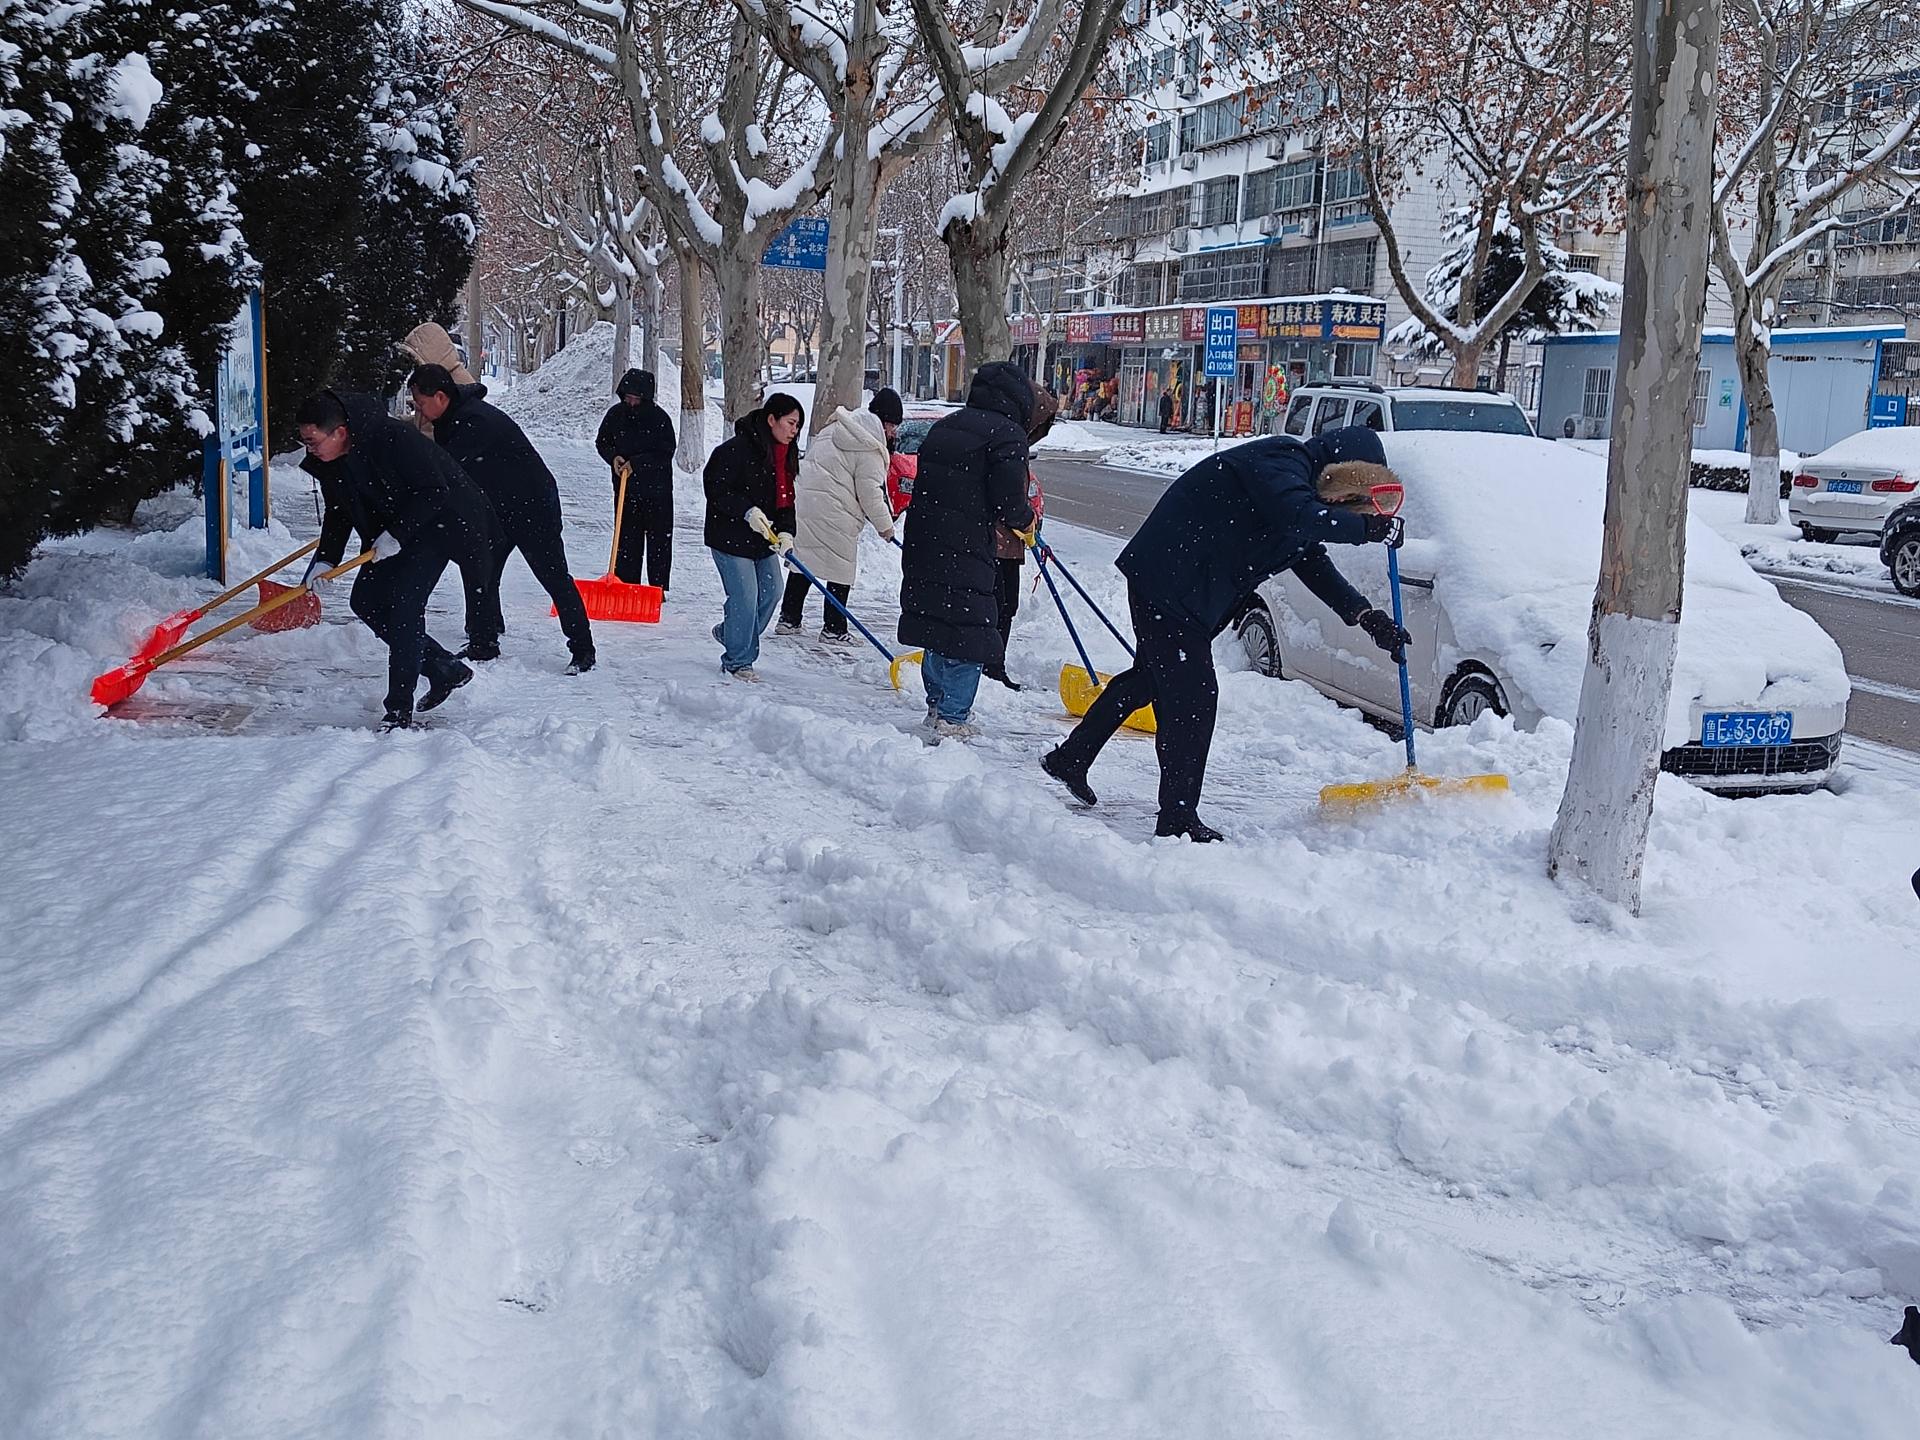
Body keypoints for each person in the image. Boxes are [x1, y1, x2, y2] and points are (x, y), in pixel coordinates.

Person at [1040, 426, 1412, 842]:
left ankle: (1071, 759)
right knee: (1193, 697)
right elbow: (1297, 515)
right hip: (1168, 583)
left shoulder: (1303, 499)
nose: (1344, 508)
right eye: (1348, 499)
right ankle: (1178, 818)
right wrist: (1366, 531)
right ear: (1337, 475)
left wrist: (1367, 617)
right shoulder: (1282, 462)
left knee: (1150, 680)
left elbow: (1312, 563)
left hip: (1188, 593)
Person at [295, 390, 478, 729]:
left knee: (405, 608)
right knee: (365, 601)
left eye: (313, 441)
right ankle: (443, 668)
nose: (310, 450)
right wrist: (326, 560)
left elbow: (435, 490)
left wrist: (397, 533)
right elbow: (338, 511)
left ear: (340, 432)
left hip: (434, 526)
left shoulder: (390, 438)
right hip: (389, 531)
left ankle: (398, 712)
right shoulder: (331, 461)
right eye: (305, 442)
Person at [408, 364, 596, 674]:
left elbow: (445, 473)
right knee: (478, 569)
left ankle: (583, 649)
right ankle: (484, 641)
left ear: (440, 397)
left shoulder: (473, 421)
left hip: (533, 506)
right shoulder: (451, 417)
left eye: (420, 402)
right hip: (498, 508)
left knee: (552, 576)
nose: (418, 410)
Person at [897, 362, 1038, 738]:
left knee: (936, 624)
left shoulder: (946, 426)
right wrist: (1026, 522)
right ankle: (953, 717)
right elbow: (1009, 501)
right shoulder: (1007, 434)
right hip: (967, 544)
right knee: (969, 628)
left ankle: (937, 705)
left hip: (925, 539)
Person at [778, 388, 898, 641]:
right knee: (840, 568)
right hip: (835, 511)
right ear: (884, 422)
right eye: (892, 426)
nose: (893, 433)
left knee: (803, 562)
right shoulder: (869, 445)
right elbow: (870, 493)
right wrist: (885, 527)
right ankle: (834, 628)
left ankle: (789, 618)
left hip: (806, 503)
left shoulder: (837, 427)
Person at [704, 393, 803, 680]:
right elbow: (716, 488)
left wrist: (786, 532)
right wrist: (747, 511)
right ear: (771, 419)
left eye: (798, 425)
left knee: (771, 592)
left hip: (763, 540)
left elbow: (786, 501)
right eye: (791, 423)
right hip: (730, 537)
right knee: (745, 598)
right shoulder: (736, 450)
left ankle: (731, 632)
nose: (794, 431)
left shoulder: (785, 455)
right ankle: (738, 661)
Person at [984, 387, 1057, 691]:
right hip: (998, 542)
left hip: (1007, 543)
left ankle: (992, 664)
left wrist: (1030, 528)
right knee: (999, 606)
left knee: (1005, 606)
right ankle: (990, 666)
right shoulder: (1007, 443)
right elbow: (1008, 499)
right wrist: (1026, 523)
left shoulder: (1009, 441)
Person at [595, 369, 677, 592]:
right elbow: (602, 442)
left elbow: (665, 451)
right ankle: (627, 586)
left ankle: (657, 589)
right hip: (626, 490)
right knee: (627, 541)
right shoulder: (615, 415)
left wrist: (637, 463)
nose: (631, 402)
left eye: (636, 398)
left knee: (658, 542)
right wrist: (614, 457)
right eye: (627, 397)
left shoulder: (659, 419)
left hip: (657, 491)